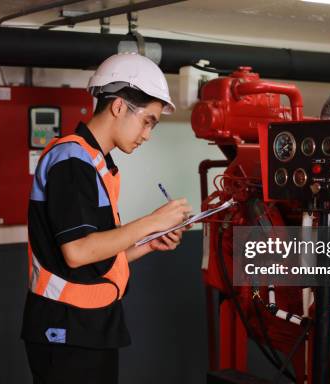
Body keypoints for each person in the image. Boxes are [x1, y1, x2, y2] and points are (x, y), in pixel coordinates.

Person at [21, 53, 192, 384]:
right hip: (65, 329)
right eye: (148, 121)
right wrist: (152, 221)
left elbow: (95, 259)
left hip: (90, 326)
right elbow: (78, 251)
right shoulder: (71, 162)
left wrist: (148, 244)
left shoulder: (96, 164)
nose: (147, 134)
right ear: (118, 107)